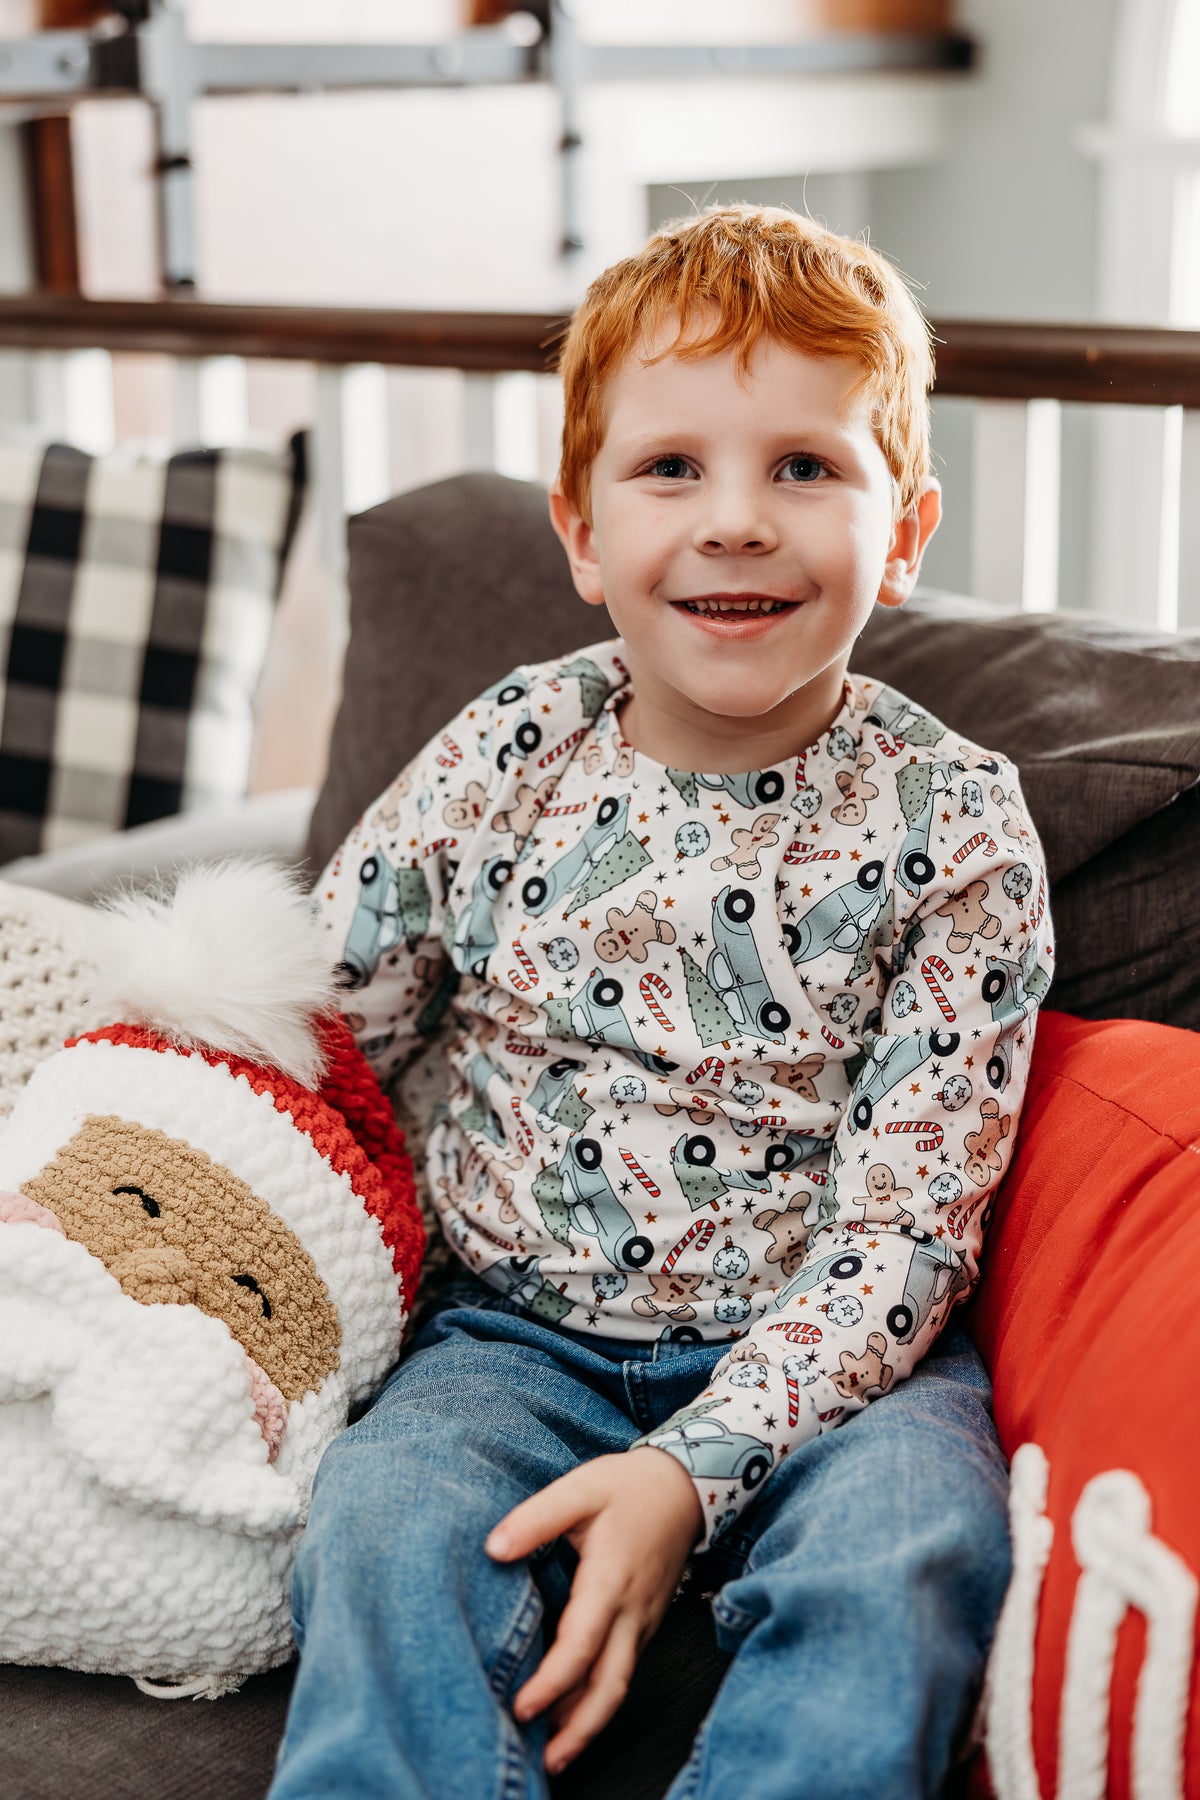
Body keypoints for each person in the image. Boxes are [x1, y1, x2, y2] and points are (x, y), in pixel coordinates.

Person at [270, 205, 1053, 1800]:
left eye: (807, 468)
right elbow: (321, 1014)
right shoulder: (514, 748)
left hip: (841, 1355)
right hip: (505, 1335)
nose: (739, 523)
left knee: (917, 1549)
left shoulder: (955, 824)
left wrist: (690, 1470)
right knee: (374, 1525)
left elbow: (911, 1235)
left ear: (905, 530)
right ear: (581, 531)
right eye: (672, 467)